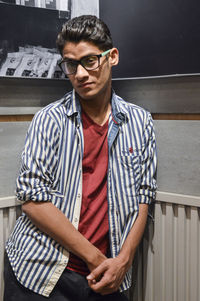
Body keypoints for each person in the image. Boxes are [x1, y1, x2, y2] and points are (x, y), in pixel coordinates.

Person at [4, 15, 157, 301]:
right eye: (71, 64)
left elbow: (143, 199)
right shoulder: (49, 120)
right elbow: (33, 202)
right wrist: (97, 259)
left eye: (89, 60)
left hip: (109, 274)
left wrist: (123, 260)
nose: (80, 74)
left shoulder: (140, 122)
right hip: (42, 271)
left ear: (112, 57)